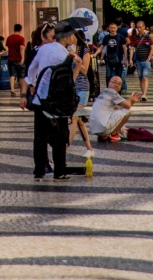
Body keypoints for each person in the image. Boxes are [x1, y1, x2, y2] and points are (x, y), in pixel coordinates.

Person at [20, 18, 86, 182]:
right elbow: (69, 79)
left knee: (40, 137)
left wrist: (33, 84)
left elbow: (30, 70)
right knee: (59, 137)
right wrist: (77, 63)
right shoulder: (65, 54)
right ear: (67, 36)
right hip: (58, 102)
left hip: (40, 100)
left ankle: (39, 172)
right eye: (72, 35)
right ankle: (59, 172)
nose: (73, 38)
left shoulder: (43, 49)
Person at [88, 76, 136, 141]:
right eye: (114, 82)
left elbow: (117, 108)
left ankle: (103, 136)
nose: (116, 85)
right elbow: (128, 105)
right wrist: (132, 100)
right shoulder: (112, 93)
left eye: (119, 84)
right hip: (103, 127)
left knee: (116, 108)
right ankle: (114, 134)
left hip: (94, 129)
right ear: (109, 83)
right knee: (127, 111)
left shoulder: (103, 93)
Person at [67, 33, 93, 153]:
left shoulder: (84, 50)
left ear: (76, 37)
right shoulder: (66, 49)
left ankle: (64, 150)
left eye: (71, 36)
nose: (70, 38)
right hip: (70, 88)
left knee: (74, 117)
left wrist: (76, 57)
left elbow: (85, 70)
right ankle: (89, 148)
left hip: (82, 87)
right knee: (80, 120)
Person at [95, 22, 126, 87]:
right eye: (111, 28)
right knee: (108, 76)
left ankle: (118, 92)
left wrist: (126, 59)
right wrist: (95, 54)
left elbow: (124, 48)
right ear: (108, 28)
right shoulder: (106, 37)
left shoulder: (120, 37)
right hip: (109, 59)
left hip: (118, 59)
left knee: (118, 76)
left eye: (114, 28)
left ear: (116, 28)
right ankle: (108, 89)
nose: (112, 29)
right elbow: (101, 47)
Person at [130, 21, 153, 103]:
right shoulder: (135, 37)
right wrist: (130, 59)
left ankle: (144, 94)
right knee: (140, 78)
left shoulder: (148, 37)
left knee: (145, 77)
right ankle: (143, 92)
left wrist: (149, 58)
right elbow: (132, 48)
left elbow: (152, 48)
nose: (139, 29)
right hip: (138, 61)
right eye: (138, 27)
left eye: (140, 27)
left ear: (144, 27)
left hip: (146, 60)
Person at [5, 24, 26, 96]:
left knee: (12, 75)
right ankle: (21, 91)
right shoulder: (21, 38)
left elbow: (7, 48)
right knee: (21, 76)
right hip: (19, 59)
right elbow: (21, 48)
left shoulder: (9, 38)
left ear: (14, 29)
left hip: (11, 58)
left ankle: (12, 89)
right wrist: (22, 58)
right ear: (20, 30)